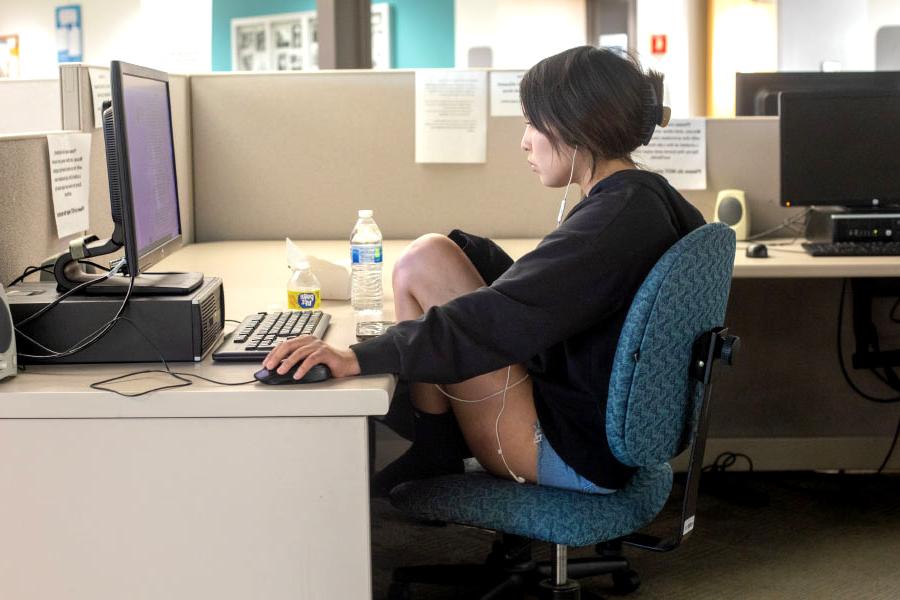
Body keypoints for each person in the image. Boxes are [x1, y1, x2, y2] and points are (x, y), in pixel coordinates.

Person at [262, 46, 705, 496]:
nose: (525, 140)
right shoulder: (646, 200)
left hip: (568, 451)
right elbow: (560, 297)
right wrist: (477, 260)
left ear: (577, 125)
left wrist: (357, 356)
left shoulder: (610, 224)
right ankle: (435, 450)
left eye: (533, 122)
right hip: (599, 433)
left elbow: (501, 319)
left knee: (434, 279)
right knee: (432, 254)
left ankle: (435, 449)